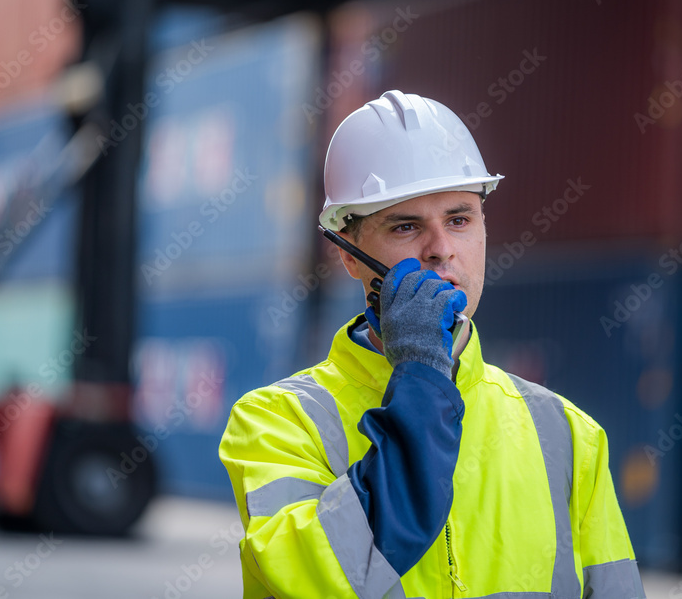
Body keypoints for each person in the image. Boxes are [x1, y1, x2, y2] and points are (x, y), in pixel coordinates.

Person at [219, 90, 645, 598]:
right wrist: (421, 370)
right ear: (350, 256)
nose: (442, 250)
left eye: (460, 219)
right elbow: (327, 579)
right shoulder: (275, 423)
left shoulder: (570, 436)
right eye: (406, 226)